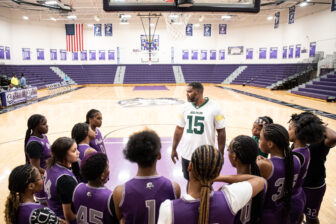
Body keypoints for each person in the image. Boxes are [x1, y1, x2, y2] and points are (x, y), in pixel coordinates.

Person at [158, 145, 266, 224]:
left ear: (190, 166)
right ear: (216, 172)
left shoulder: (169, 209)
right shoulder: (230, 198)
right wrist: (217, 176)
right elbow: (260, 181)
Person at [113, 129, 181, 224]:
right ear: (159, 155)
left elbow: (121, 219)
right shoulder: (174, 188)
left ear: (134, 156)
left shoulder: (119, 192)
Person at [171, 82, 226, 180]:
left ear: (198, 92)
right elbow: (179, 129)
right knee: (189, 180)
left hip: (207, 155)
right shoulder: (184, 107)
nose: (187, 94)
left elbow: (221, 131)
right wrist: (174, 149)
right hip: (187, 154)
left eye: (189, 92)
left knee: (207, 182)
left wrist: (221, 153)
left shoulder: (215, 107)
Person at [257, 124, 301, 224]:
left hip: (267, 214)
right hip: (285, 209)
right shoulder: (296, 159)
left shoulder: (264, 166)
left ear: (270, 144)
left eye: (260, 138)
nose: (259, 141)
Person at [288, 112, 325, 224]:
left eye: (290, 129)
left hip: (297, 195)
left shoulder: (297, 156)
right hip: (300, 193)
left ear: (299, 131)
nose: (287, 131)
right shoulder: (304, 149)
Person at [228, 135, 265, 224]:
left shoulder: (230, 190)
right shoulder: (260, 183)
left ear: (234, 157)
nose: (227, 152)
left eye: (228, 150)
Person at [73, 152, 119, 223]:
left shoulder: (77, 189)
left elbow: (73, 211)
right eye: (107, 167)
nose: (109, 170)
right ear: (102, 175)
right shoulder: (110, 197)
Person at [44, 137, 79, 223]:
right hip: (62, 219)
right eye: (74, 151)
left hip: (53, 212)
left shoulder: (51, 166)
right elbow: (69, 215)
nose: (78, 152)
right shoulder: (65, 180)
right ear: (63, 155)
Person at [24, 114, 51, 204]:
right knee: (46, 207)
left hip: (48, 176)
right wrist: (52, 173)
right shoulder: (34, 144)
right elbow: (36, 168)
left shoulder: (43, 136)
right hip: (42, 180)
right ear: (36, 127)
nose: (47, 125)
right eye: (44, 124)